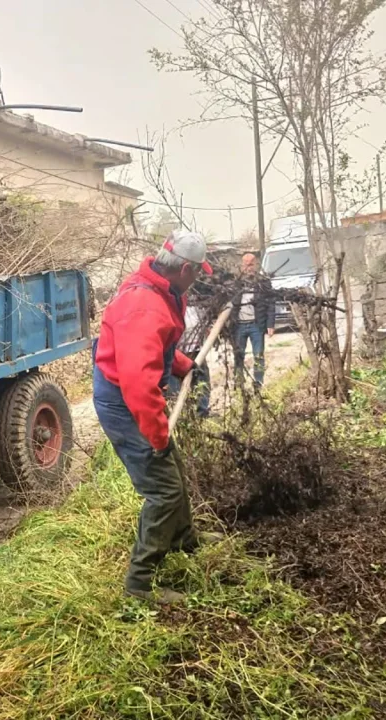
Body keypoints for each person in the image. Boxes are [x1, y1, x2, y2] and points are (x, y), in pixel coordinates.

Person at [93, 229, 221, 605]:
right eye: (197, 271)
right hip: (125, 404)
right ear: (184, 269)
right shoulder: (145, 305)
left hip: (132, 393)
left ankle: (183, 539)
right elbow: (137, 381)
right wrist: (157, 436)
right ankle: (139, 582)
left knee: (173, 469)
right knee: (163, 490)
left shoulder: (159, 289)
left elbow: (151, 348)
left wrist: (181, 365)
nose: (197, 278)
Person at [232, 252, 276, 390]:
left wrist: (270, 324)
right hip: (239, 325)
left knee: (258, 355)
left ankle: (258, 384)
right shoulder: (236, 283)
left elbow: (271, 303)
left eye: (251, 264)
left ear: (256, 264)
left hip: (256, 325)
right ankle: (239, 383)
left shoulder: (263, 282)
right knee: (239, 355)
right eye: (246, 265)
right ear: (241, 265)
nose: (248, 268)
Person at [168, 304, 211, 418]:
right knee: (175, 386)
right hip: (178, 352)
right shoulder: (171, 306)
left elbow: (204, 322)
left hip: (196, 350)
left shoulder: (195, 305)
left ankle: (202, 412)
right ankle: (182, 415)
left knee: (202, 379)